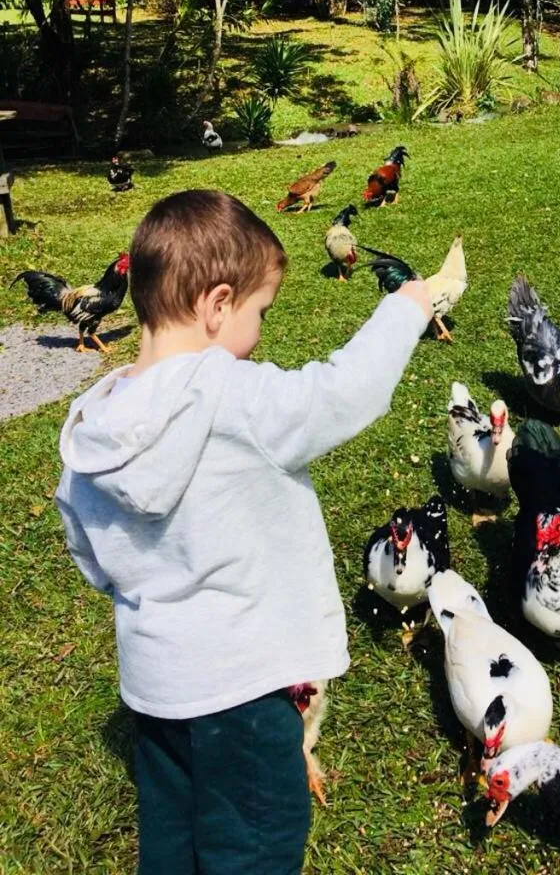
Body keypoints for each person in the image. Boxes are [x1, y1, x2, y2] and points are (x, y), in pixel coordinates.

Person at [54, 189, 432, 874]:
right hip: (247, 689)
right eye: (261, 312)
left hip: (157, 688)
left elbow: (88, 548)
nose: (260, 331)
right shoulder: (236, 396)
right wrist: (404, 309)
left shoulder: (95, 424)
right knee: (255, 841)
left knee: (173, 834)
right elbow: (342, 391)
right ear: (217, 304)